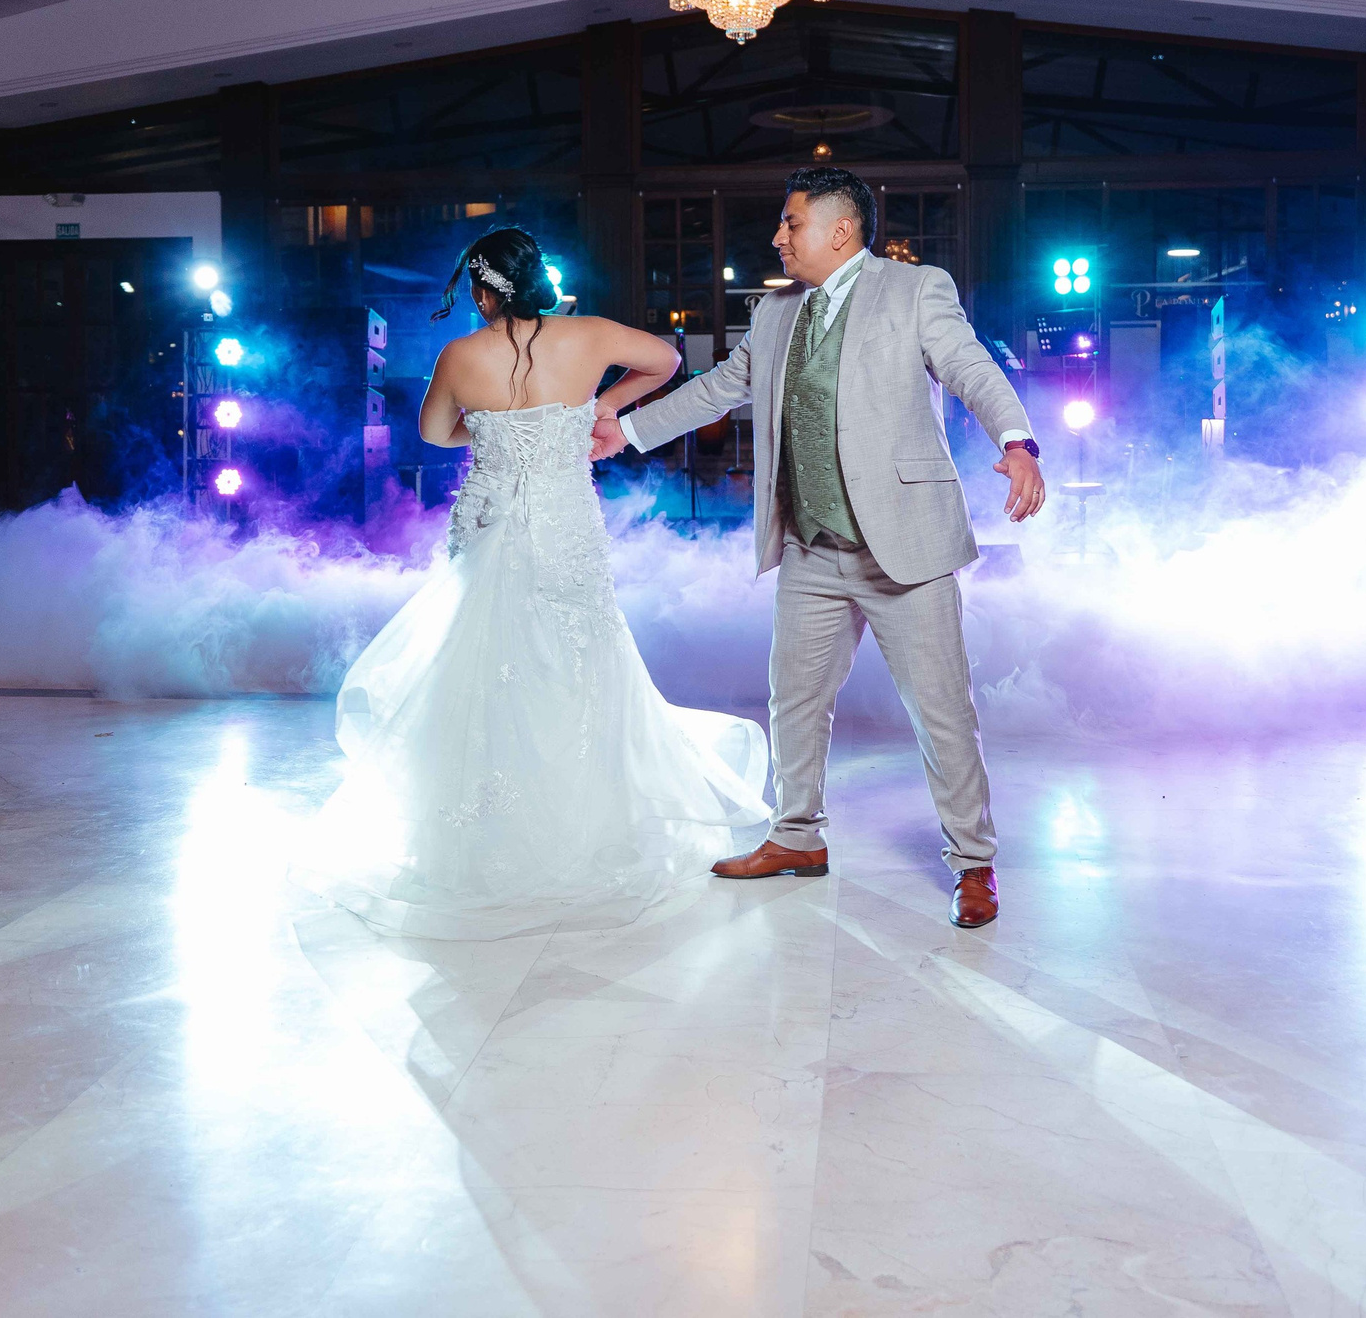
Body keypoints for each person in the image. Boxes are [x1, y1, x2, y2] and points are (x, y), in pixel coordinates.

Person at [596, 167, 1046, 930]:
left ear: (840, 229)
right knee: (795, 699)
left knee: (941, 711)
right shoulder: (775, 312)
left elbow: (970, 367)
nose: (778, 236)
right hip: (811, 548)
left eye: (791, 222)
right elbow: (719, 387)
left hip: (904, 545)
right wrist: (629, 430)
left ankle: (973, 862)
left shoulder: (916, 289)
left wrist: (1017, 439)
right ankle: (797, 837)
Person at [301, 226, 771, 939]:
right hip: (565, 523)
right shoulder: (589, 335)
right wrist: (602, 406)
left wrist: (492, 430)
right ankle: (591, 819)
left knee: (484, 661)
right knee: (583, 658)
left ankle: (488, 830)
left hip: (491, 516)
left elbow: (434, 432)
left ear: (484, 289)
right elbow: (666, 359)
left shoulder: (461, 354)